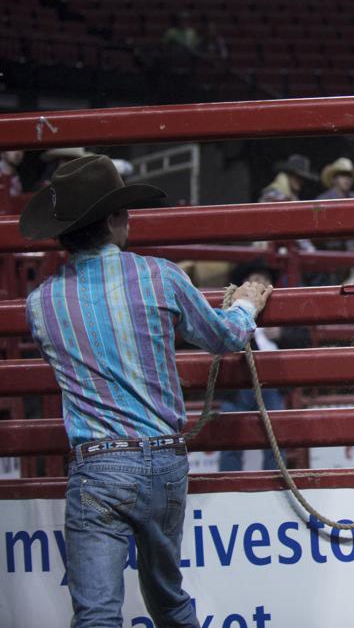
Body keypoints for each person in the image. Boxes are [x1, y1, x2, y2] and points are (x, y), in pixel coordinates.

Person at [19, 155, 272, 627]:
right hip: (163, 459)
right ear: (115, 220)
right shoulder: (161, 276)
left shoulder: (40, 304)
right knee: (169, 600)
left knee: (97, 612)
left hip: (98, 464)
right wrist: (244, 306)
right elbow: (224, 339)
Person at [218, 260, 286, 473]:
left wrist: (282, 335)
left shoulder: (283, 306)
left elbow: (303, 337)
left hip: (271, 382)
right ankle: (230, 481)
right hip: (237, 382)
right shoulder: (230, 307)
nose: (260, 283)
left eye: (264, 279)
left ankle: (275, 481)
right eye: (255, 279)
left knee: (276, 438)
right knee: (231, 438)